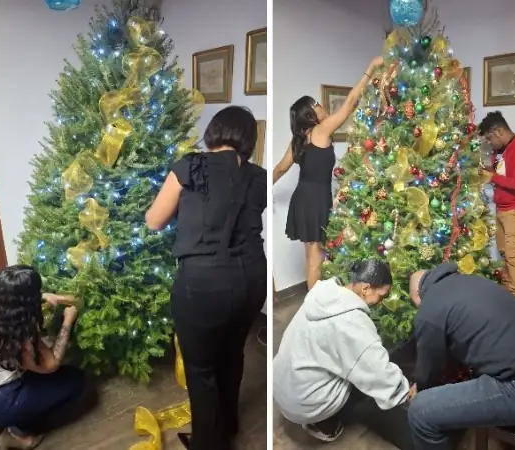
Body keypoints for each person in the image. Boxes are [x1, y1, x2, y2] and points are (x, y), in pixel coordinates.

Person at [146, 106, 267, 450]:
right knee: (233, 354)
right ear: (247, 139)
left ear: (214, 132)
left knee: (201, 370)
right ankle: (227, 426)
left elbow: (154, 221)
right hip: (252, 279)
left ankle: (208, 443)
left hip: (202, 284)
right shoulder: (258, 176)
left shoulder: (189, 166)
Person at [273, 56, 385, 290]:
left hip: (305, 198)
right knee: (315, 261)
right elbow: (352, 100)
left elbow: (280, 169)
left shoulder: (299, 139)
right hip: (314, 199)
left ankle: (314, 304)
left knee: (314, 258)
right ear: (309, 115)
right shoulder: (321, 130)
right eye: (315, 105)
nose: (321, 106)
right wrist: (371, 67)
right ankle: (312, 311)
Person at [272, 259, 414, 442]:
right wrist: (405, 393)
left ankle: (316, 415)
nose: (381, 302)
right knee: (360, 383)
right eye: (382, 295)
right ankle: (324, 425)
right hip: (305, 403)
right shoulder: (352, 323)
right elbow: (377, 372)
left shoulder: (323, 295)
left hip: (283, 387)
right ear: (366, 288)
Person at [406, 263, 515, 450]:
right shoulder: (472, 281)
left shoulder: (428, 311)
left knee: (420, 412)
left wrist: (421, 388)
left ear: (418, 296)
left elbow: (430, 369)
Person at [0, 265, 93, 450]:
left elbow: (9, 300)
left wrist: (44, 296)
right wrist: (67, 321)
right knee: (74, 381)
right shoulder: (16, 336)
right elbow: (52, 364)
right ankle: (18, 434)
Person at [478, 111, 515, 300]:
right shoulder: (500, 151)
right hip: (502, 209)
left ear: (499, 131)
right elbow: (502, 175)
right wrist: (488, 172)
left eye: (490, 139)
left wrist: (492, 176)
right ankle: (506, 296)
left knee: (513, 256)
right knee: (504, 255)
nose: (490, 143)